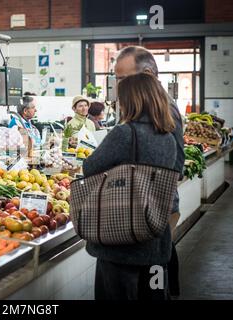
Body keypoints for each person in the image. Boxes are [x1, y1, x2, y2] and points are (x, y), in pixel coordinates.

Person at [81, 72, 179, 300]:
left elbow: (90, 167)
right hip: (156, 238)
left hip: (122, 240)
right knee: (154, 295)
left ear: (131, 100)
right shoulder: (168, 137)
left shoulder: (124, 133)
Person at [114, 46, 185, 298]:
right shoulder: (142, 106)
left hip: (156, 210)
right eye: (116, 79)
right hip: (146, 210)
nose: (118, 86)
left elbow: (177, 163)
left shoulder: (164, 108)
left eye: (123, 79)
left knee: (152, 281)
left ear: (147, 74)